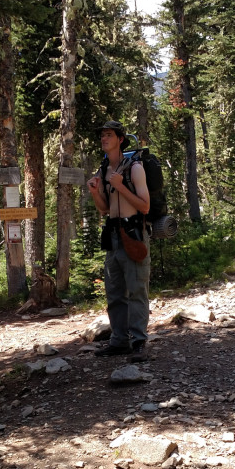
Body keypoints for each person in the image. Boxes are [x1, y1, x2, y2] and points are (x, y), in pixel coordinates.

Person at [86, 121, 151, 363]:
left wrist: (120, 186)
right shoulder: (103, 170)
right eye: (102, 135)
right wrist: (96, 193)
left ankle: (138, 343)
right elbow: (104, 209)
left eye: (109, 135)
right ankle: (119, 341)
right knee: (114, 292)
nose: (104, 139)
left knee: (136, 290)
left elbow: (144, 206)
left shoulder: (134, 168)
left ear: (120, 139)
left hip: (133, 233)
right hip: (113, 236)